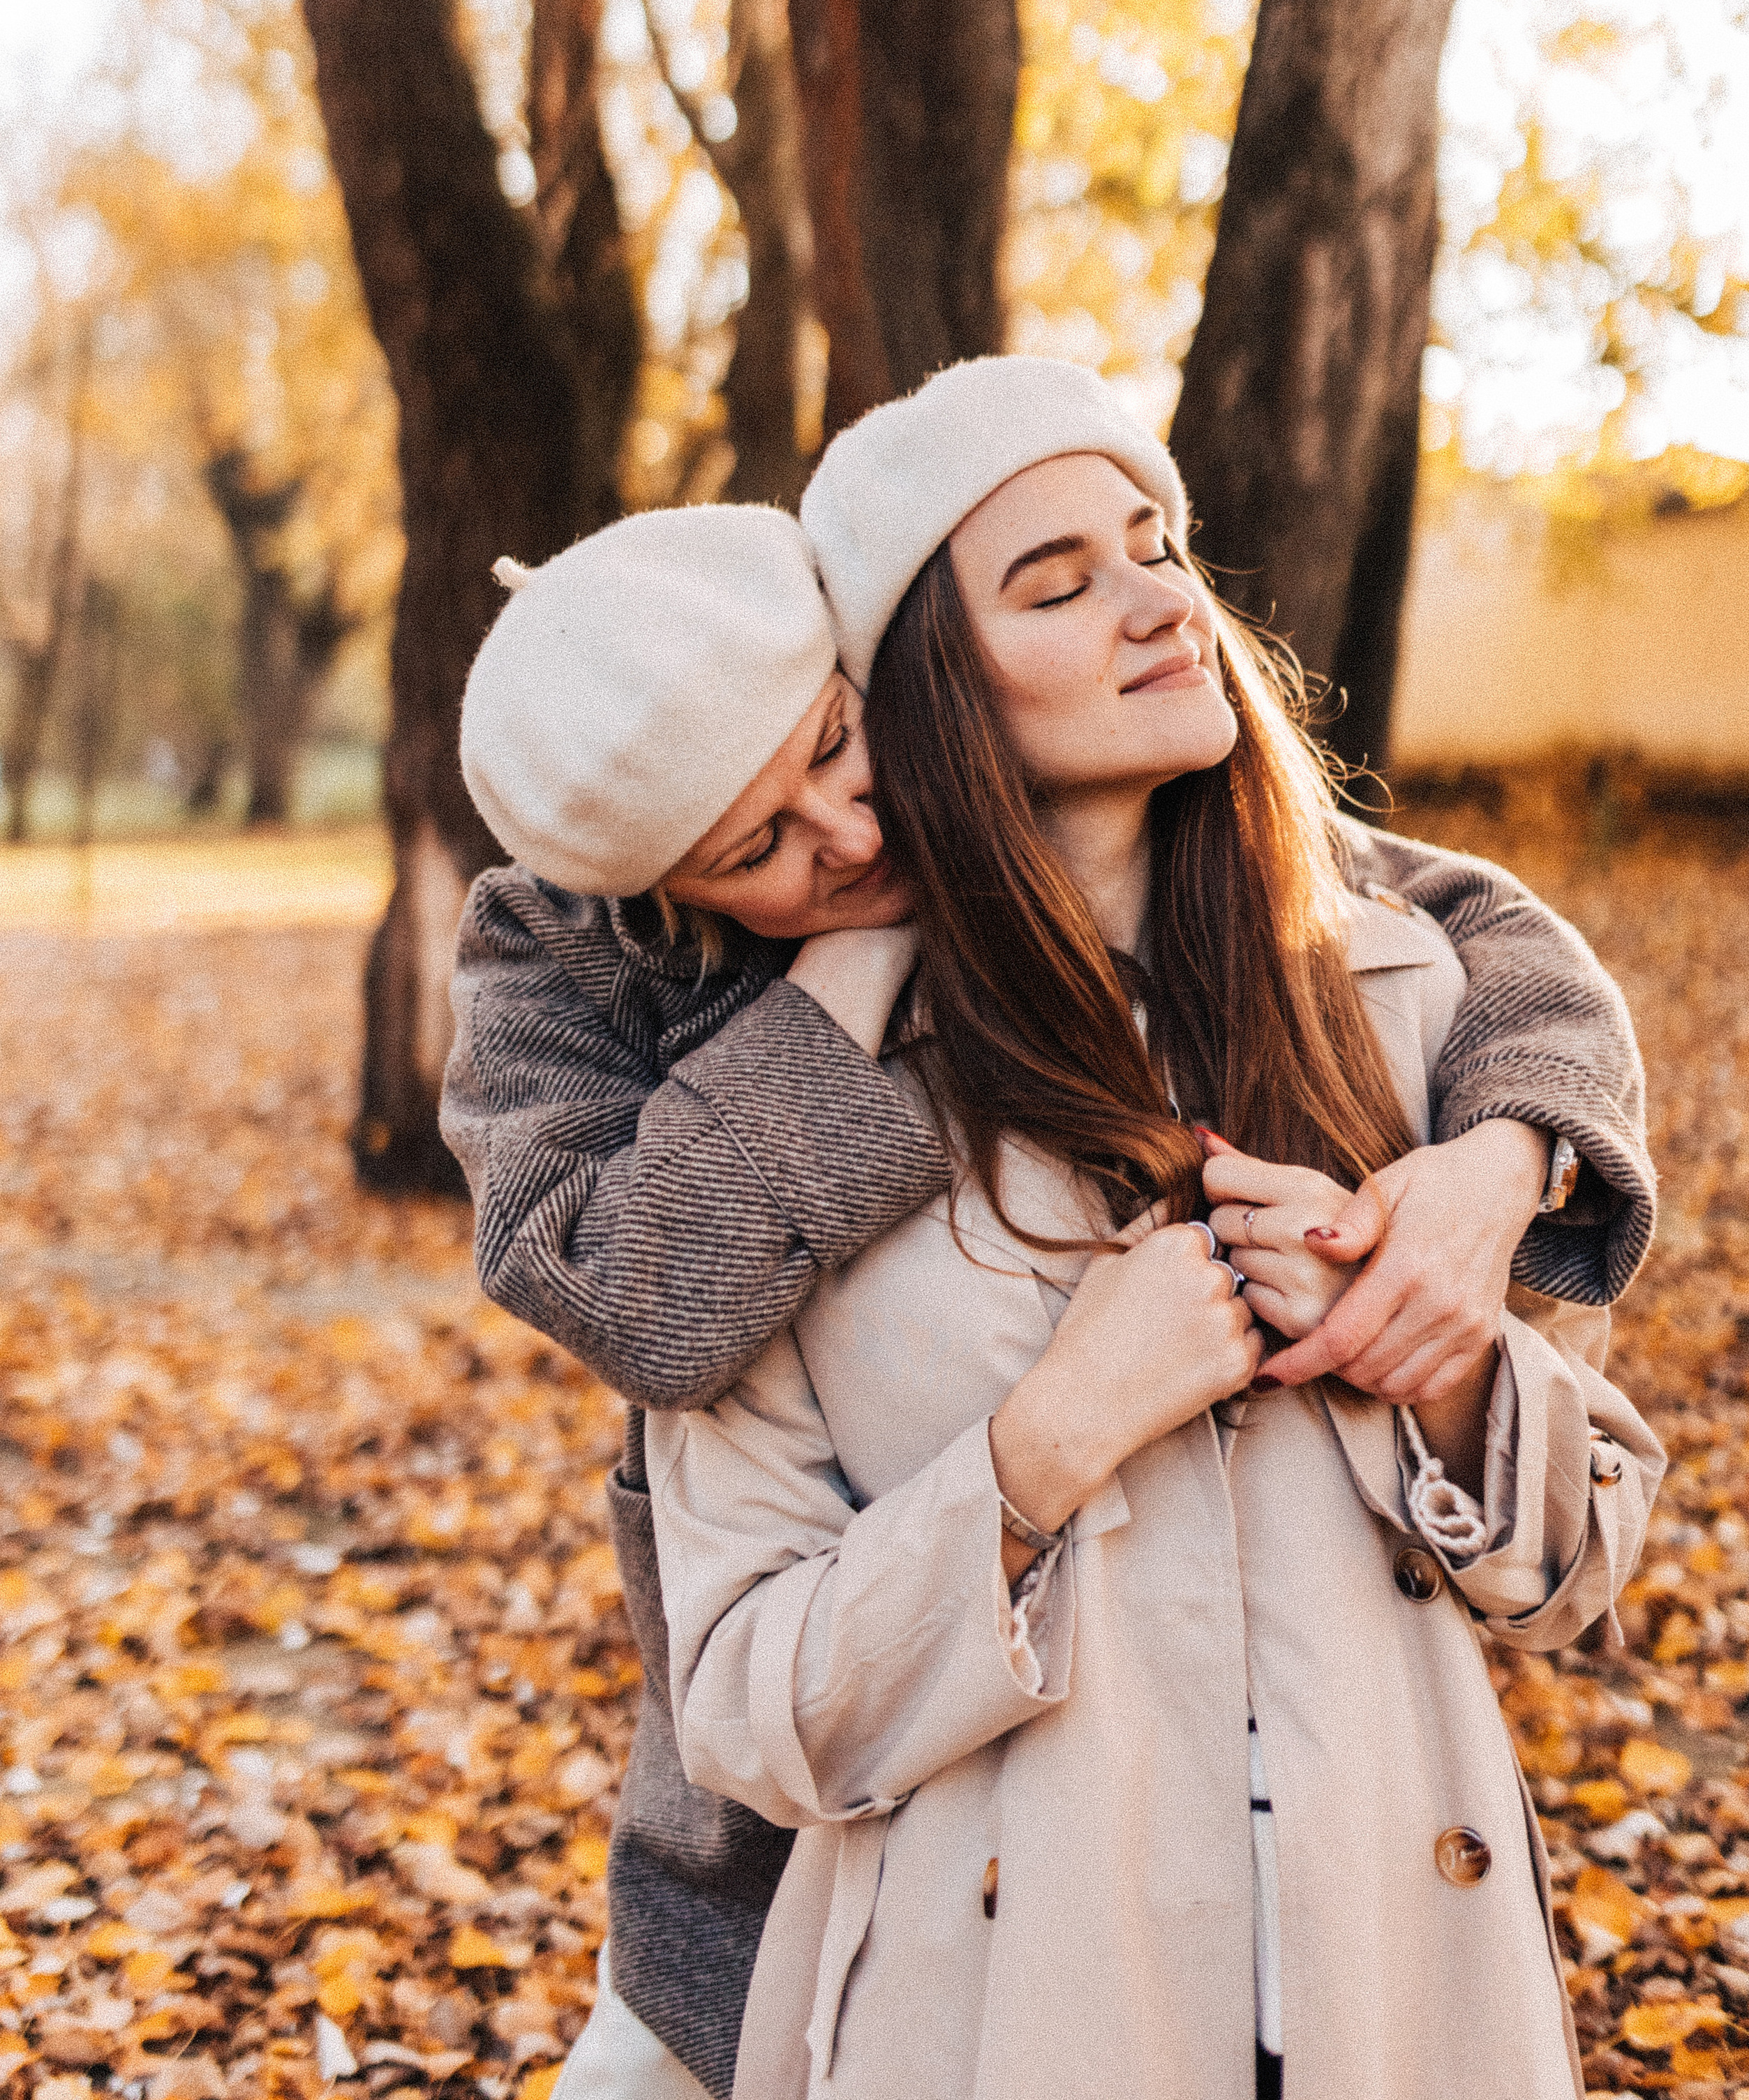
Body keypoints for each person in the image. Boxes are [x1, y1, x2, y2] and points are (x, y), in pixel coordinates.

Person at [442, 406, 1653, 2099]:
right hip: (873, 1925)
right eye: (760, 849)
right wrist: (1053, 1428)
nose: (846, 840)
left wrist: (1499, 1184)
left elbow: (1445, 918)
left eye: (1154, 550)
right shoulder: (670, 1041)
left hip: (1391, 1978)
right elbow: (627, 1298)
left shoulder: (1390, 1002)